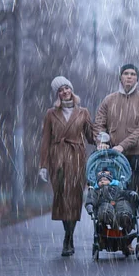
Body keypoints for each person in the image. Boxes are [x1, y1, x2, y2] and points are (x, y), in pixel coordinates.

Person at [39, 76, 95, 257]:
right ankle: (67, 234)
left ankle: (69, 237)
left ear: (71, 89)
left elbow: (91, 136)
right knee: (62, 198)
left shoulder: (83, 112)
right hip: (58, 158)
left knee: (75, 198)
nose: (64, 92)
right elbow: (45, 140)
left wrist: (105, 139)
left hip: (77, 158)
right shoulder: (51, 114)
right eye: (60, 90)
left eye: (66, 88)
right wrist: (44, 165)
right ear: (57, 94)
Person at [93, 63, 139, 199]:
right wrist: (102, 141)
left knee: (132, 193)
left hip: (135, 155)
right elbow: (99, 124)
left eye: (133, 74)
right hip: (111, 156)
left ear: (137, 79)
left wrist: (122, 146)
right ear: (120, 77)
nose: (129, 77)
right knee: (111, 192)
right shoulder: (109, 100)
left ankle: (131, 219)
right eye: (126, 73)